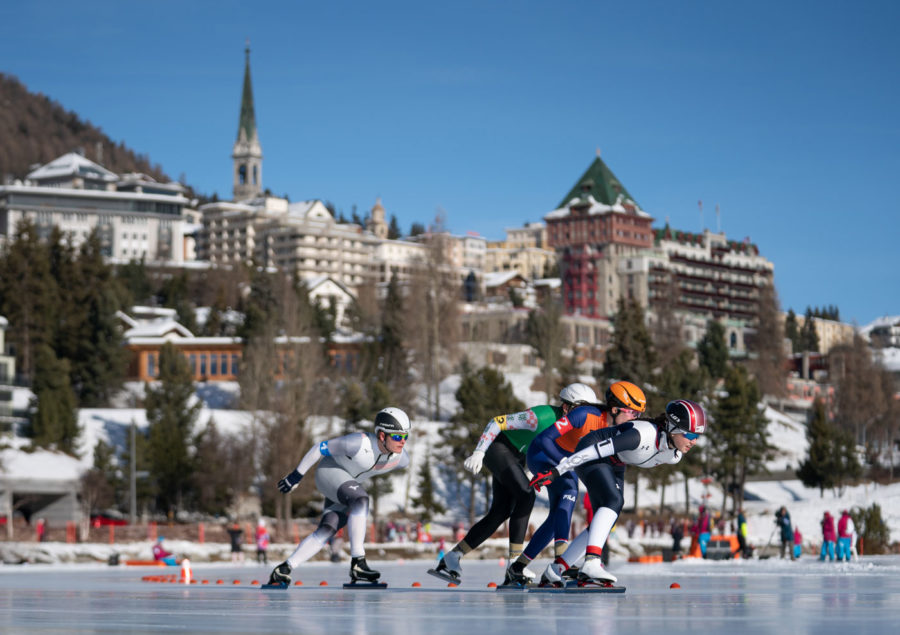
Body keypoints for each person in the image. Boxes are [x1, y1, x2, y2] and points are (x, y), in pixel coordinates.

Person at [430, 382, 598, 585]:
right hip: (499, 449)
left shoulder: (572, 428)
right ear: (566, 408)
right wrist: (479, 451)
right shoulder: (541, 416)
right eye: (582, 410)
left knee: (499, 512)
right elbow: (497, 422)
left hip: (517, 458)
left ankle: (452, 558)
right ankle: (513, 565)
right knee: (526, 496)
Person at [530, 399, 707, 586]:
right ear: (672, 427)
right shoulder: (642, 434)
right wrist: (558, 470)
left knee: (607, 518)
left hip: (616, 463)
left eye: (698, 435)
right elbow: (594, 451)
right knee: (613, 501)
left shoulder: (674, 456)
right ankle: (592, 562)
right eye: (689, 434)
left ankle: (556, 570)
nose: (694, 441)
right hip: (591, 449)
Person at [505, 381, 647, 585]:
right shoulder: (584, 415)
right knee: (568, 495)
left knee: (560, 514)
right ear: (615, 409)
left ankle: (519, 567)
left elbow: (617, 466)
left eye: (639, 415)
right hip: (543, 454)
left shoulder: (621, 430)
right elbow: (545, 439)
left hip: (570, 462)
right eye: (632, 413)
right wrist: (563, 465)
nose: (636, 419)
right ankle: (561, 561)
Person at [267, 407, 411, 586]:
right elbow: (319, 448)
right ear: (381, 435)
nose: (402, 442)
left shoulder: (401, 459)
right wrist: (296, 475)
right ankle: (358, 562)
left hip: (346, 485)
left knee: (328, 528)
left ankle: (284, 569)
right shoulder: (358, 443)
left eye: (406, 436)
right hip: (329, 474)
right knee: (361, 500)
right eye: (397, 436)